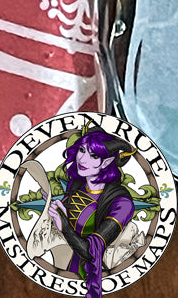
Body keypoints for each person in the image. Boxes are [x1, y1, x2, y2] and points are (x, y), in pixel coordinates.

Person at [46, 127, 137, 298]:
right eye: (82, 150)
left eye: (94, 155)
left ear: (106, 162)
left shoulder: (122, 203)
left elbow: (90, 251)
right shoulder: (76, 187)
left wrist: (65, 225)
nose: (82, 159)